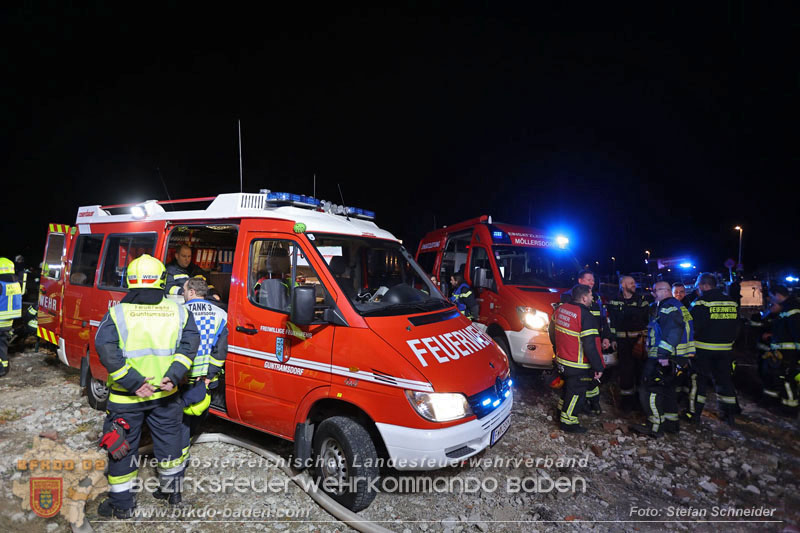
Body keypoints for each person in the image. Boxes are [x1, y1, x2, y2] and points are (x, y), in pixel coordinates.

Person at [94, 254, 199, 518]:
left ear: (128, 280)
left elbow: (106, 350)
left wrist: (133, 382)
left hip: (126, 399)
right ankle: (172, 493)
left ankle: (122, 506)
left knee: (121, 449)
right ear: (162, 280)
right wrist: (174, 375)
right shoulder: (178, 311)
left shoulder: (117, 313)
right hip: (166, 395)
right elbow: (190, 345)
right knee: (170, 444)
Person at [633, 281, 695, 437]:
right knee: (668, 391)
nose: (653, 294)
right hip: (679, 358)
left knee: (649, 389)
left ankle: (654, 426)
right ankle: (671, 424)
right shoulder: (678, 306)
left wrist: (662, 356)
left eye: (654, 291)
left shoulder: (667, 307)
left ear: (663, 291)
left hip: (665, 358)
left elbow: (674, 330)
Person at [683, 273, 740, 426]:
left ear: (704, 286)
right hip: (725, 350)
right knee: (724, 381)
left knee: (698, 382)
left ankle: (694, 414)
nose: (698, 290)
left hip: (702, 349)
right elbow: (737, 327)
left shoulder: (700, 303)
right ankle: (729, 415)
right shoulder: (731, 302)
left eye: (698, 287)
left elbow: (692, 326)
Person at [550, 284, 605, 433]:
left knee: (568, 389)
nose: (593, 297)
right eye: (591, 295)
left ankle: (561, 412)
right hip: (577, 364)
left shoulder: (561, 309)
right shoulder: (586, 316)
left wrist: (557, 350)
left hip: (562, 360)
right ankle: (568, 422)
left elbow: (551, 331)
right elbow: (590, 345)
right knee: (577, 392)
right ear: (584, 297)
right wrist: (598, 366)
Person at [181, 278, 228, 439]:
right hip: (207, 378)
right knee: (200, 411)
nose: (183, 293)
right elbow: (220, 350)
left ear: (192, 292)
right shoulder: (220, 314)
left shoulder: (180, 312)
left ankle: (180, 448)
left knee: (180, 418)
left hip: (184, 376)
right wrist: (209, 376)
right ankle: (190, 438)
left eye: (184, 290)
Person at [560, 270, 612, 414]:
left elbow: (603, 320)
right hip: (580, 347)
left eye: (593, 280)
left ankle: (593, 403)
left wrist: (606, 336)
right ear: (580, 280)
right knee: (583, 378)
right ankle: (581, 405)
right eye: (589, 279)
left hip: (593, 340)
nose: (592, 282)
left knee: (592, 378)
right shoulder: (569, 297)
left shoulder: (596, 298)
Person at [606, 275, 651, 411]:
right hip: (622, 342)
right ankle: (626, 403)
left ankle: (640, 402)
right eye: (630, 283)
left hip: (639, 342)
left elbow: (647, 321)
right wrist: (613, 339)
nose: (634, 285)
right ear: (622, 284)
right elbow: (611, 323)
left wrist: (646, 339)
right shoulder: (614, 301)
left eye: (634, 283)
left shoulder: (642, 301)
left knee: (640, 371)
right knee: (625, 372)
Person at [763, 285, 800, 417]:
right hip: (782, 352)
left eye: (772, 297)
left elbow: (797, 333)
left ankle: (790, 410)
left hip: (789, 354)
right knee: (782, 380)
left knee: (788, 381)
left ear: (778, 294)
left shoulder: (792, 309)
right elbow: (785, 331)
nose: (772, 300)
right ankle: (783, 405)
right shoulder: (787, 308)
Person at [0, 257, 23, 377]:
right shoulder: (16, 283)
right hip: (8, 321)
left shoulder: (0, 284)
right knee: (2, 344)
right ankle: (3, 367)